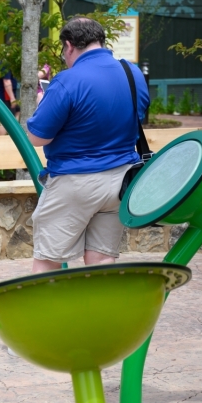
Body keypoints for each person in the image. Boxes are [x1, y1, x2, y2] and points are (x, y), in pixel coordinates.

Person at [26, 17, 149, 274]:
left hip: (75, 183)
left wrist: (42, 102)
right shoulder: (132, 73)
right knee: (102, 259)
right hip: (120, 181)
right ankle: (101, 313)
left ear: (69, 45)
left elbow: (38, 137)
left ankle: (51, 314)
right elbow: (138, 116)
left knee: (48, 261)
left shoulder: (66, 81)